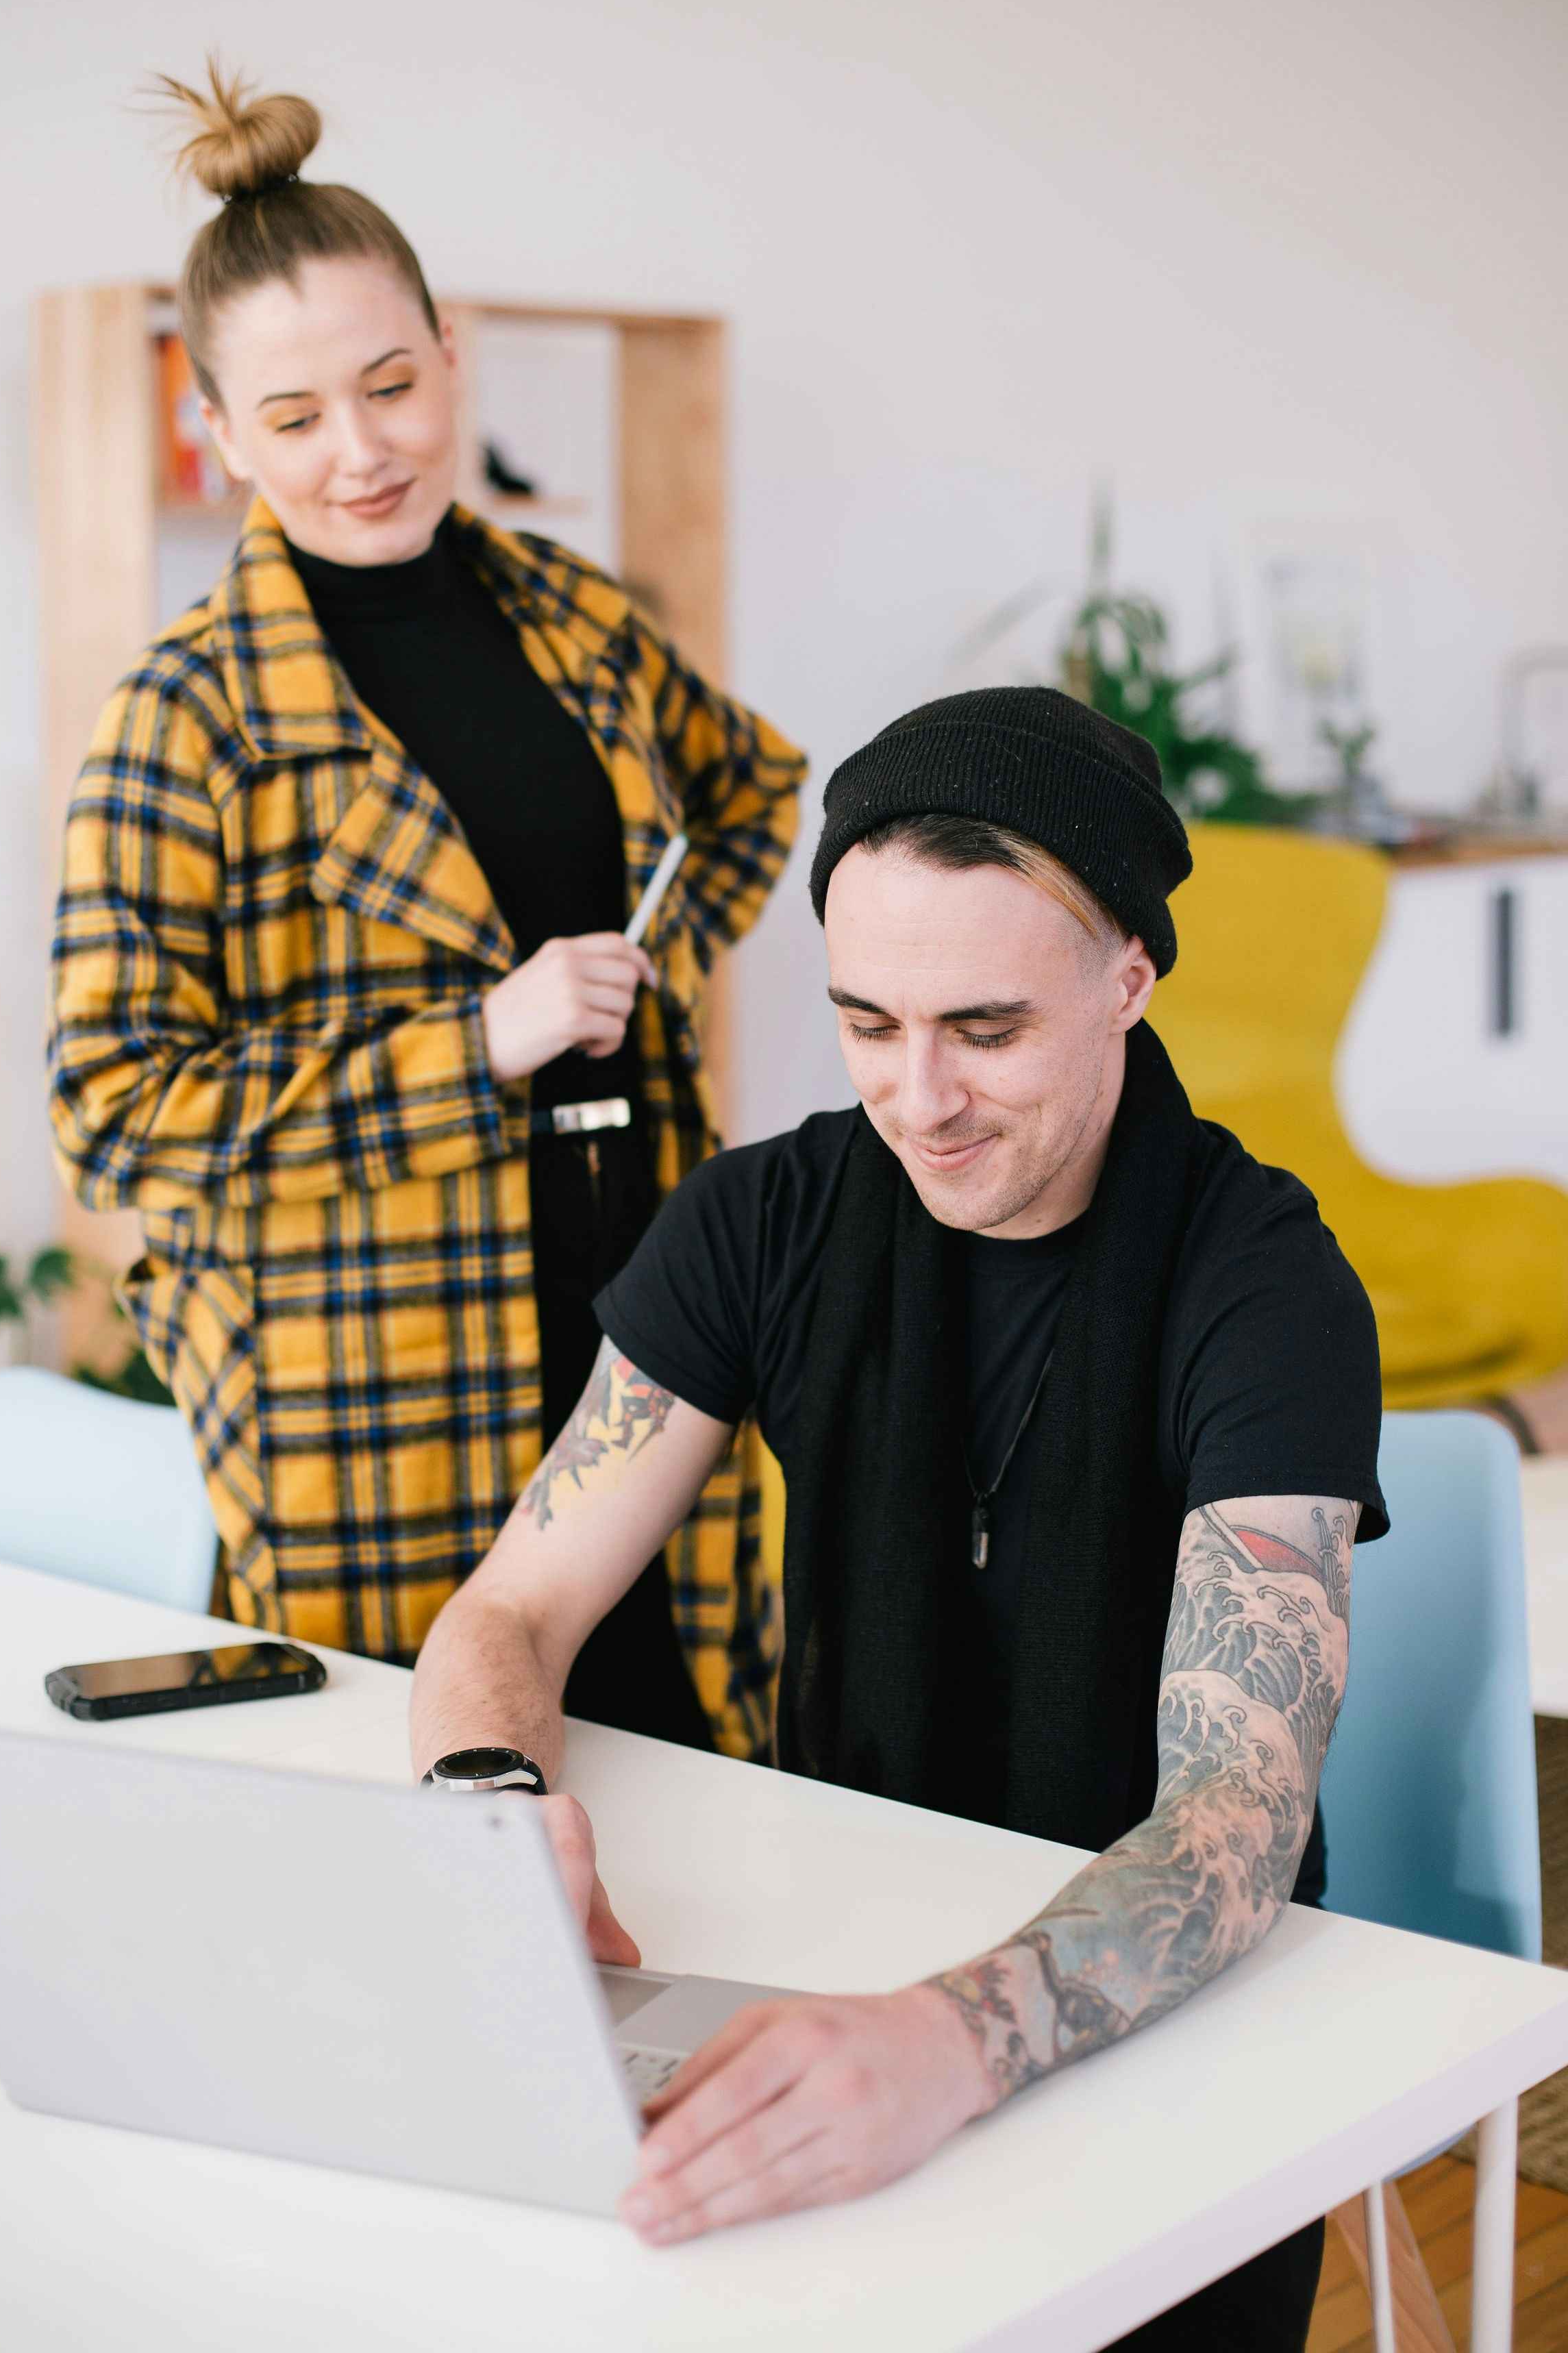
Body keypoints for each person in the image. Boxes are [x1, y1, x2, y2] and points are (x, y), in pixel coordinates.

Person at [410, 686, 1386, 2348]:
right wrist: (492, 1808)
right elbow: (513, 1610)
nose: (916, 1098)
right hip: (837, 1929)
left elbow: (1237, 1818)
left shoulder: (1264, 1285)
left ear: (1130, 979)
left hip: (1173, 2025)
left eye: (984, 1030)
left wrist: (950, 2041)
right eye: (868, 1023)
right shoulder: (765, 1221)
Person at [47, 62, 806, 1758]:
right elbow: (111, 1124)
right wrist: (479, 1045)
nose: (364, 449)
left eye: (392, 385)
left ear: (453, 353)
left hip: (645, 1308)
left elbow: (750, 790)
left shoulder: (572, 614)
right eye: (297, 416)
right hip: (366, 1384)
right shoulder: (185, 717)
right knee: (427, 1830)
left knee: (700, 1775)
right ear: (217, 431)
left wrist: (638, 983)